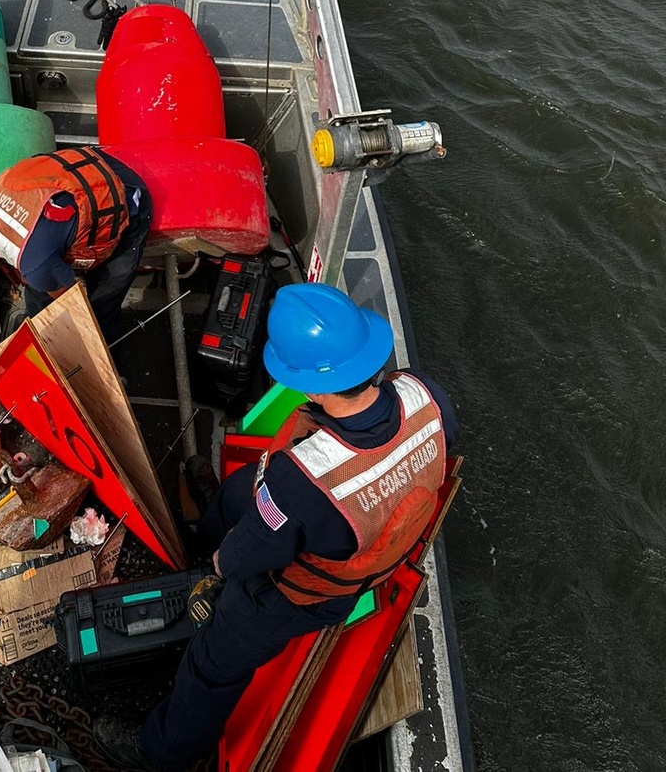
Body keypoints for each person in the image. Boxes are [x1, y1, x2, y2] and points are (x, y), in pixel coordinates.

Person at [95, 282, 458, 772]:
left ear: (311, 387)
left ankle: (162, 752)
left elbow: (249, 555)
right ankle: (211, 518)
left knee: (212, 666)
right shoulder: (425, 394)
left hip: (299, 596)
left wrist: (221, 564)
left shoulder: (303, 479)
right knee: (240, 492)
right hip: (351, 541)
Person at [0, 145, 151, 337]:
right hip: (91, 162)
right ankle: (40, 331)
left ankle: (106, 351)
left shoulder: (35, 263)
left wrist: (78, 337)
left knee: (100, 308)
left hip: (128, 195)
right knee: (37, 287)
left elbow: (72, 301)